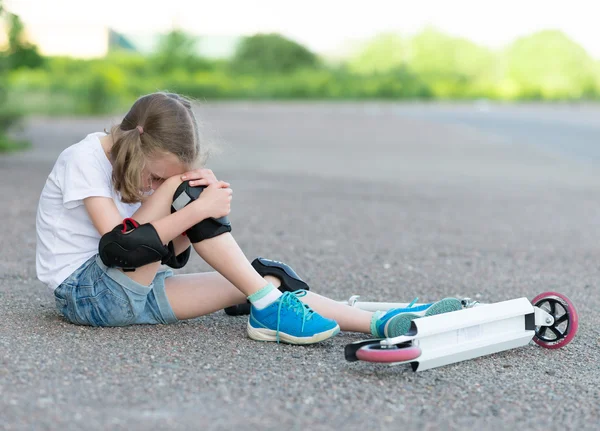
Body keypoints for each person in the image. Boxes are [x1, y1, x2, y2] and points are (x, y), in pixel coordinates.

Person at [35, 92, 462, 345]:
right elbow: (119, 247)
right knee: (195, 211)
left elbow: (170, 256)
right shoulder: (83, 159)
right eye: (155, 176)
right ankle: (266, 306)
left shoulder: (142, 168)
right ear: (136, 146)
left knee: (264, 279)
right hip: (87, 294)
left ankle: (383, 321)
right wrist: (184, 201)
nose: (152, 185)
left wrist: (192, 211)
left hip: (134, 288)